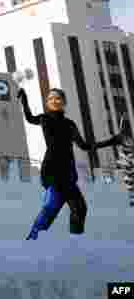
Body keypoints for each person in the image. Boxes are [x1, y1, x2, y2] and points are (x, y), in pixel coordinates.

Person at [18, 86, 128, 239]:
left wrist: (112, 141)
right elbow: (29, 118)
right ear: (47, 103)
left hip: (68, 173)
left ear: (63, 102)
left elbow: (84, 146)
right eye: (51, 98)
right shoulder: (44, 119)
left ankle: (75, 242)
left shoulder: (70, 124)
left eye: (58, 98)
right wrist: (24, 99)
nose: (54, 100)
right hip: (52, 171)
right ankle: (32, 240)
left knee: (80, 208)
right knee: (51, 207)